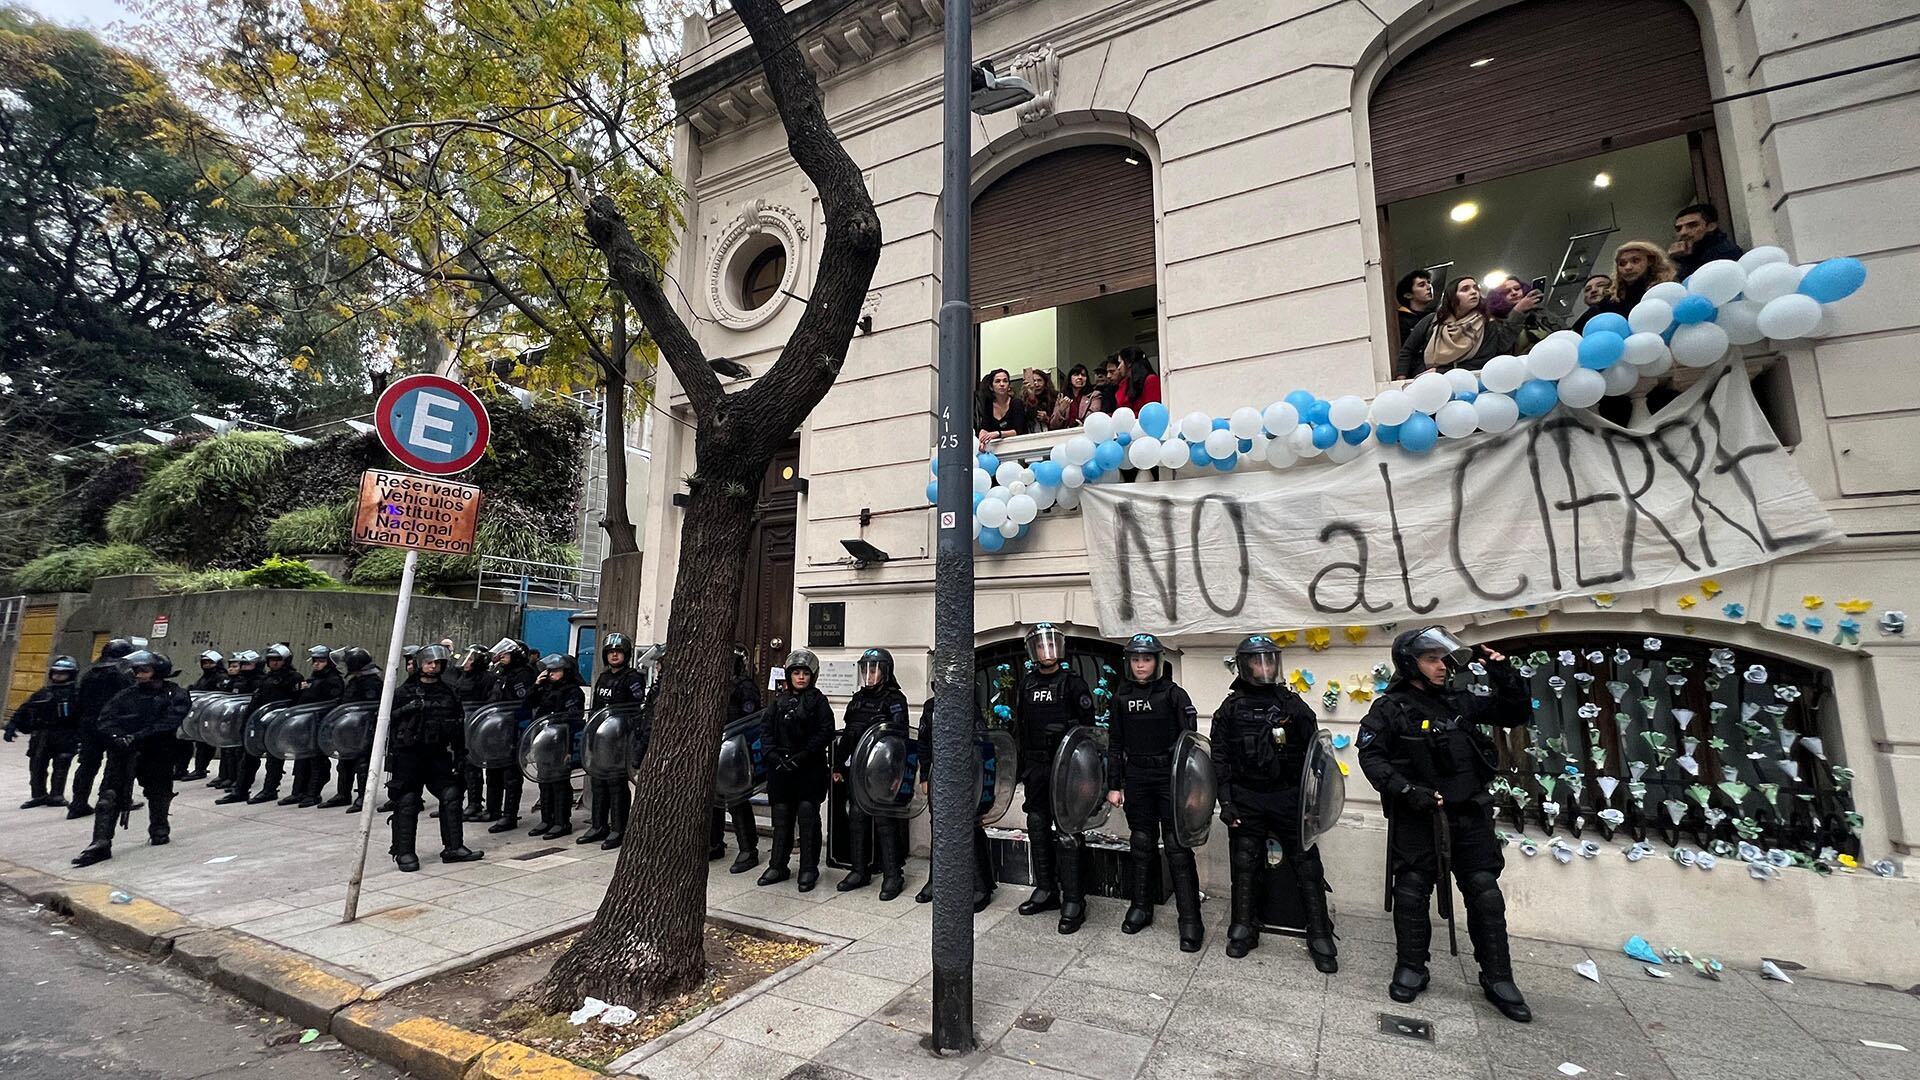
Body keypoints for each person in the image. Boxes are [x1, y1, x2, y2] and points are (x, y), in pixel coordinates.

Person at [1358, 627, 1534, 1023]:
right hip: (1419, 817)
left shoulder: (1461, 701)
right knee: (1411, 892)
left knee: (1485, 893)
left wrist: (1502, 673)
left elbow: (1515, 713)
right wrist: (1406, 790)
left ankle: (1498, 977)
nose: (1442, 667)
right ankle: (1412, 967)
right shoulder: (1390, 708)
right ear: (1410, 663)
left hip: (1468, 814)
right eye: (1432, 659)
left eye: (1444, 658)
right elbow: (1372, 758)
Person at [1211, 635, 1337, 969]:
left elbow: (1317, 757)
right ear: (1245, 665)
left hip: (1287, 797)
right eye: (1258, 661)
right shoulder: (1230, 709)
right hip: (1247, 797)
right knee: (1244, 861)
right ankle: (1243, 927)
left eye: (1270, 660)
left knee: (1306, 864)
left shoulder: (1292, 705)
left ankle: (1320, 933)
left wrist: (1312, 805)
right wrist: (1226, 801)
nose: (1265, 667)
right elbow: (1220, 758)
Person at [1105, 634, 1205, 951]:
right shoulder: (1122, 696)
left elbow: (1191, 744)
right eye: (1136, 659)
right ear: (1129, 663)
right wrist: (1113, 785)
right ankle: (1141, 907)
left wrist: (1191, 788)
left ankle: (1190, 919)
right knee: (1141, 842)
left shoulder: (1174, 695)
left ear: (1157, 661)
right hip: (1137, 775)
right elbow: (1115, 744)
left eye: (1146, 659)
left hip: (1169, 777)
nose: (1141, 665)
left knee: (1177, 845)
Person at [1013, 622, 1097, 934]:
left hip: (1067, 768)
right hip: (1036, 767)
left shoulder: (1073, 684)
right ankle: (1046, 889)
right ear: (1033, 651)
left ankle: (1074, 899)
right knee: (1036, 825)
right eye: (1041, 646)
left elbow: (1089, 731)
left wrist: (1066, 733)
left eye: (1051, 645)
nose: (1046, 652)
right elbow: (1020, 726)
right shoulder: (1026, 684)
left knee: (1067, 829)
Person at [71, 650, 190, 867]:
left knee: (159, 792)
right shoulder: (125, 695)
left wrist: (138, 736)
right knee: (108, 796)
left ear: (158, 672)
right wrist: (118, 737)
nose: (138, 674)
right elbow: (106, 719)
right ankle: (101, 842)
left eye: (144, 670)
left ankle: (159, 829)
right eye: (137, 670)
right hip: (122, 753)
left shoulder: (175, 694)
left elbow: (169, 721)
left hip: (157, 752)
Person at [384, 644, 482, 871]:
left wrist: (460, 754)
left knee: (451, 795)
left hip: (438, 753)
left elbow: (459, 725)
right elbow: (386, 722)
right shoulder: (403, 692)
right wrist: (407, 709)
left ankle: (453, 847)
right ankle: (404, 851)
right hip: (409, 755)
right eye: (429, 662)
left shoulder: (448, 692)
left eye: (437, 663)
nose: (433, 666)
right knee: (407, 801)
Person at [834, 648, 911, 900]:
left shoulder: (895, 700)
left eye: (874, 669)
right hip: (856, 769)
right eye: (865, 669)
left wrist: (898, 775)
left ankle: (893, 875)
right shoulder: (857, 700)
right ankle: (859, 870)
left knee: (884, 822)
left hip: (882, 772)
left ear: (885, 672)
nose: (869, 674)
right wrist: (837, 766)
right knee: (856, 816)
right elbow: (848, 734)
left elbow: (900, 740)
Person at [913, 682, 996, 912]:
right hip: (938, 775)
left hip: (966, 776)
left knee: (970, 826)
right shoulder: (931, 707)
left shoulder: (968, 705)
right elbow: (923, 743)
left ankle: (981, 886)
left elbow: (982, 743)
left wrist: (982, 783)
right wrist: (924, 776)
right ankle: (936, 881)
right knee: (937, 827)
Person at [758, 649, 834, 891]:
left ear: (812, 676)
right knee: (781, 818)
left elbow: (826, 731)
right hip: (781, 769)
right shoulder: (778, 702)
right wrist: (772, 755)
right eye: (796, 673)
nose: (801, 677)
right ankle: (778, 865)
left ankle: (808, 868)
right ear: (789, 675)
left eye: (805, 673)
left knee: (808, 816)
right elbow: (766, 731)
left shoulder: (819, 701)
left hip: (809, 769)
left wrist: (804, 754)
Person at [581, 633, 648, 849]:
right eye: (610, 652)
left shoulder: (633, 678)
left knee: (616, 783)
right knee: (598, 781)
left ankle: (619, 828)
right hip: (601, 739)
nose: (614, 655)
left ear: (626, 654)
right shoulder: (603, 678)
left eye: (618, 651)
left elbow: (635, 709)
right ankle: (598, 826)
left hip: (620, 740)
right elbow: (597, 709)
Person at [1397, 277, 1537, 378]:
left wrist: (1440, 371)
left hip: (1468, 384)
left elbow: (1482, 361)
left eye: (1475, 288)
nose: (1473, 292)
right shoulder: (1432, 320)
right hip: (1428, 385)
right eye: (1465, 289)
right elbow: (1407, 351)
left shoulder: (1487, 324)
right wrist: (1401, 380)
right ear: (1452, 297)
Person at [218, 644, 299, 805]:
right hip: (258, 722)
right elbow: (256, 702)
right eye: (271, 659)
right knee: (248, 757)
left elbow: (295, 703)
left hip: (277, 725)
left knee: (274, 760)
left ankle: (269, 790)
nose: (274, 663)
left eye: (278, 659)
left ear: (286, 660)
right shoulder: (266, 678)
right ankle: (240, 790)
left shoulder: (294, 678)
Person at [66, 638, 137, 819]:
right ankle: (112, 801)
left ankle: (78, 803)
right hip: (113, 725)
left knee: (87, 765)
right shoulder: (122, 673)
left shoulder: (89, 673)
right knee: (116, 764)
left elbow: (78, 701)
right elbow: (129, 700)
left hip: (89, 725)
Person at [711, 645, 762, 871]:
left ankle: (748, 849)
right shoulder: (712, 683)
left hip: (736, 750)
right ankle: (714, 843)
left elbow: (751, 720)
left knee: (737, 800)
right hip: (714, 747)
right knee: (712, 799)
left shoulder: (745, 686)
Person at [524, 653, 585, 839]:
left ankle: (561, 821)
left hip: (562, 743)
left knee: (559, 783)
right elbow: (527, 704)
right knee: (544, 781)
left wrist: (569, 750)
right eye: (549, 670)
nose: (551, 673)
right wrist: (536, 685)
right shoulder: (545, 689)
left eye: (556, 670)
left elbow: (574, 719)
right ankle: (546, 819)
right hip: (544, 742)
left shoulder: (573, 691)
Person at [7, 654, 79, 809]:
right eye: (55, 672)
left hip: (65, 734)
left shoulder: (76, 694)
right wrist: (12, 725)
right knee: (37, 766)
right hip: (42, 734)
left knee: (61, 765)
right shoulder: (43, 692)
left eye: (62, 673)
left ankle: (56, 795)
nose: (58, 675)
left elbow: (85, 715)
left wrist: (82, 736)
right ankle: (38, 794)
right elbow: (24, 708)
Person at [281, 646, 345, 807]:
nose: (316, 664)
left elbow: (331, 704)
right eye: (315, 661)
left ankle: (313, 793)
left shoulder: (333, 680)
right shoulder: (313, 679)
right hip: (305, 726)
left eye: (321, 661)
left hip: (320, 726)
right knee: (302, 760)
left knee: (317, 761)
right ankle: (298, 792)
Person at [481, 641, 536, 828]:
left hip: (514, 728)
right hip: (497, 730)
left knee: (511, 774)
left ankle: (509, 815)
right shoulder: (500, 673)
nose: (502, 657)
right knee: (493, 770)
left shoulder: (524, 674)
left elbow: (523, 701)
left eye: (506, 654)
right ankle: (492, 809)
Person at [322, 647, 381, 811]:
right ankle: (343, 794)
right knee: (344, 762)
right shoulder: (356, 680)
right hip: (348, 729)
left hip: (363, 730)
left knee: (362, 765)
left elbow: (370, 708)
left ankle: (363, 797)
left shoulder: (372, 683)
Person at [1573, 241, 1675, 332]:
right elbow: (1577, 329)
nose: (1628, 267)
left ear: (1650, 261)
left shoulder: (1666, 289)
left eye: (1635, 261)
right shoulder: (1610, 301)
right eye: (1622, 263)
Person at [210, 650, 261, 791]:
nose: (242, 667)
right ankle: (226, 776)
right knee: (227, 749)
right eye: (242, 664)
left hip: (246, 720)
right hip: (231, 719)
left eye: (246, 664)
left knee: (240, 752)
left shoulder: (257, 681)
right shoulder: (235, 681)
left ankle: (236, 778)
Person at [181, 650, 226, 781]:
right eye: (204, 662)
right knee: (200, 743)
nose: (206, 665)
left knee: (206, 743)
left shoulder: (221, 677)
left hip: (212, 715)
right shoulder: (205, 677)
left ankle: (200, 769)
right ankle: (199, 768)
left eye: (210, 662)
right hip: (202, 714)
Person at [1486, 278, 1561, 355]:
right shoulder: (1495, 322)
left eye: (1517, 289)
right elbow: (1502, 346)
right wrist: (1517, 312)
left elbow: (1563, 331)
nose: (1514, 293)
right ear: (1497, 297)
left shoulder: (1540, 312)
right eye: (1506, 292)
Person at [1670, 202, 1744, 279]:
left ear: (1711, 226)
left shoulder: (1724, 252)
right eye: (1678, 229)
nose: (1683, 232)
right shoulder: (1685, 253)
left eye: (1692, 225)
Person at [974, 368, 1029, 450]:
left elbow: (1018, 431)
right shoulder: (988, 405)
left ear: (1009, 385)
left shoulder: (1016, 403)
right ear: (991, 387)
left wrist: (998, 433)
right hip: (996, 449)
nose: (1002, 384)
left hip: (1017, 446)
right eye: (997, 381)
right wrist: (982, 437)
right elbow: (985, 427)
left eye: (1005, 381)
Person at [1049, 364, 1099, 430]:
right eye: (1076, 375)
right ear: (1070, 379)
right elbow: (1053, 425)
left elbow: (1092, 416)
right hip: (1065, 435)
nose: (1080, 377)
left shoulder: (1094, 395)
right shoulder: (1061, 396)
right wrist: (1061, 410)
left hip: (1085, 432)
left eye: (1083, 375)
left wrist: (1082, 425)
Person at [1113, 347, 1161, 412]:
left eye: (1120, 362)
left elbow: (1151, 410)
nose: (1118, 368)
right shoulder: (1124, 384)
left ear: (1129, 363)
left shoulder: (1151, 380)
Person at [1395, 269, 1435, 342]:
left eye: (1429, 282)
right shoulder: (1400, 321)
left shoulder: (1434, 314)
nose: (1429, 287)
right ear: (1408, 295)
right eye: (1422, 285)